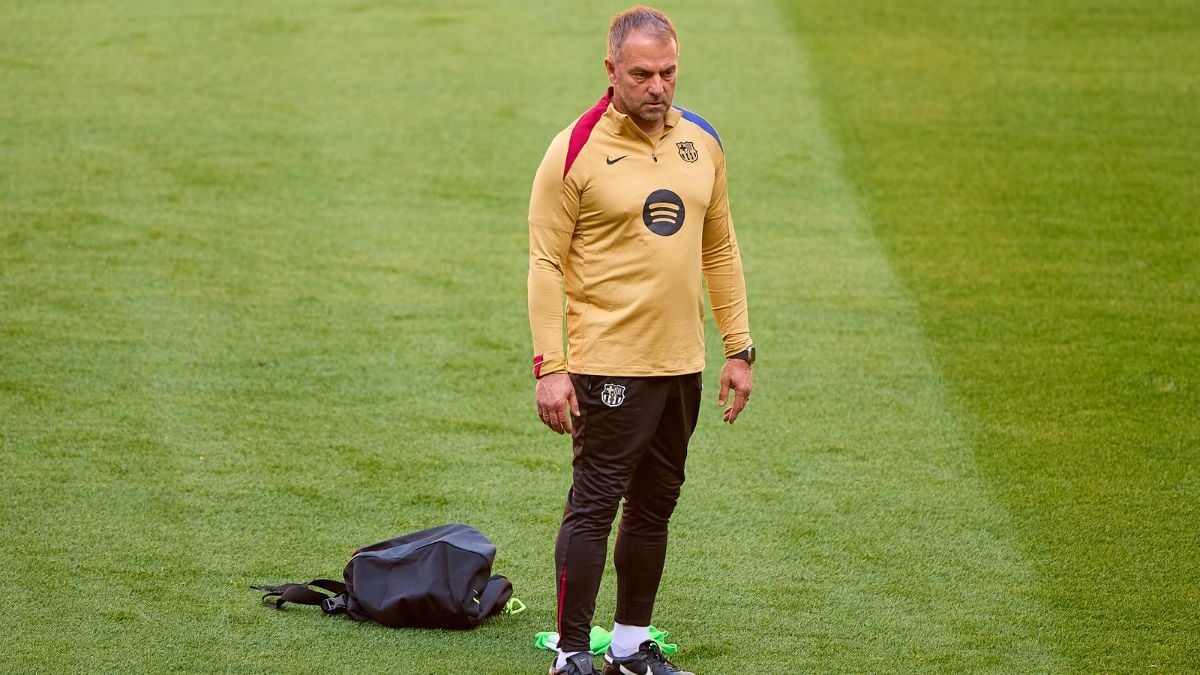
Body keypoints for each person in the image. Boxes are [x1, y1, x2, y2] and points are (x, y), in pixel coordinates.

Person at [527, 6, 754, 675]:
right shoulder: (575, 148)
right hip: (607, 364)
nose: (658, 87)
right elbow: (544, 261)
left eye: (668, 72)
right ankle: (571, 652)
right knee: (594, 505)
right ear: (611, 70)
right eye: (642, 75)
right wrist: (551, 365)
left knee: (656, 505)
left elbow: (720, 248)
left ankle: (629, 646)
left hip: (681, 363)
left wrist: (738, 348)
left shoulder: (702, 141)